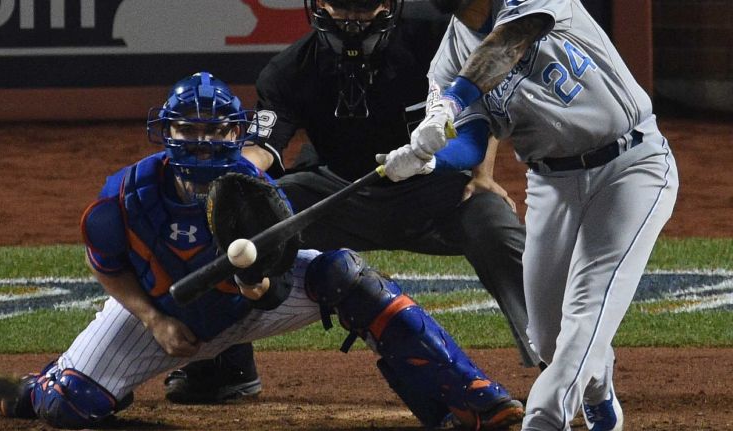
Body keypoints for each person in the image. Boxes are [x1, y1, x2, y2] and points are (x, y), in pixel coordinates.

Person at [0, 71, 525, 430]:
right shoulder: (125, 198)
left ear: (236, 132)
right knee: (68, 405)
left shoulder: (252, 190)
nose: (202, 140)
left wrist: (259, 287)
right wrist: (153, 321)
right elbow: (108, 268)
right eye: (189, 128)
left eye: (216, 129)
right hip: (159, 317)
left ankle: (467, 395)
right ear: (168, 131)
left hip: (241, 305)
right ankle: (45, 379)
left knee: (346, 274)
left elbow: (270, 285)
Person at [165, 0, 540, 405]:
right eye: (343, 6)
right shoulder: (289, 69)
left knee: (495, 224)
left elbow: (485, 101)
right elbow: (264, 147)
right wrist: (227, 178)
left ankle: (556, 360)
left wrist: (483, 173)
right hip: (337, 194)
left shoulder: (435, 37)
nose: (355, 18)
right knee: (239, 219)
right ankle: (223, 365)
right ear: (319, 4)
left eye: (366, 6)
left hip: (436, 192)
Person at [380, 1, 679, 430]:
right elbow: (470, 140)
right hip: (551, 184)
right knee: (546, 338)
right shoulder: (447, 61)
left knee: (585, 315)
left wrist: (451, 100)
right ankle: (599, 389)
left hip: (631, 166)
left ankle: (544, 418)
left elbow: (508, 43)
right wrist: (429, 157)